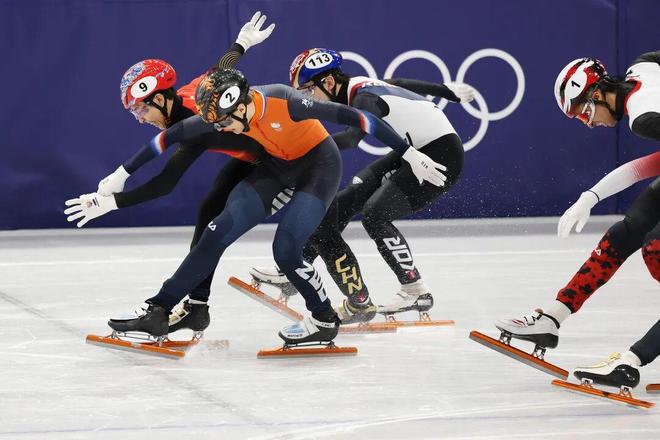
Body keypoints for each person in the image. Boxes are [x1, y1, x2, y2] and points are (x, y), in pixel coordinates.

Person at [66, 67, 446, 346]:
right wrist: (120, 174)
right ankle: (158, 309)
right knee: (216, 232)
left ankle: (323, 319)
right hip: (277, 166)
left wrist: (409, 153)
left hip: (318, 166)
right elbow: (169, 137)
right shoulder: (224, 112)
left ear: (240, 106)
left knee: (286, 250)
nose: (222, 130)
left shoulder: (287, 100)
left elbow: (358, 117)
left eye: (224, 124)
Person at [65, 11, 276, 335]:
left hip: (282, 162)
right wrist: (241, 43)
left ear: (162, 98)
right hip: (256, 157)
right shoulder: (195, 89)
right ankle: (197, 307)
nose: (139, 118)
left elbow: (164, 184)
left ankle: (168, 307)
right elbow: (221, 67)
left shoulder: (197, 123)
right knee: (209, 212)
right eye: (134, 111)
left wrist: (112, 203)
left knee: (215, 230)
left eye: (141, 108)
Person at [251, 48, 473, 324]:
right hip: (414, 152)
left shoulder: (363, 98)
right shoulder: (359, 85)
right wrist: (446, 91)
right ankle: (296, 271)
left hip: (440, 158)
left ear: (328, 82)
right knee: (338, 206)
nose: (307, 98)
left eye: (308, 90)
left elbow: (352, 138)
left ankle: (415, 290)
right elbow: (400, 82)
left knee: (375, 215)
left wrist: (302, 151)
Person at [496, 53, 660, 387]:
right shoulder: (643, 67)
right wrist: (592, 196)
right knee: (624, 234)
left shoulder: (644, 117)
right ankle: (553, 318)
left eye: (584, 111)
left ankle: (632, 361)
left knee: (655, 249)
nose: (587, 123)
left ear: (598, 93)